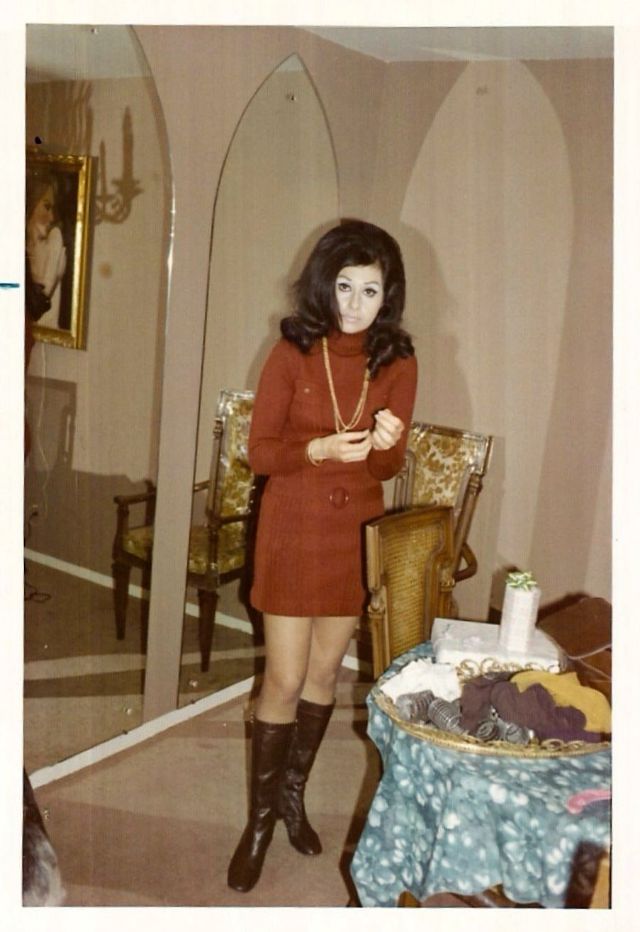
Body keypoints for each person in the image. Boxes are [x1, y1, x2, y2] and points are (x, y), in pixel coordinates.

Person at [227, 219, 418, 893]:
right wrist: (318, 450)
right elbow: (260, 452)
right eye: (344, 286)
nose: (356, 303)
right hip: (292, 526)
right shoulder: (292, 351)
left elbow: (387, 467)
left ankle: (291, 799)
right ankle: (258, 823)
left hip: (351, 532)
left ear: (388, 295)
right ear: (323, 285)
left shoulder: (398, 361)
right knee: (282, 679)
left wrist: (388, 446)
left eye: (371, 290)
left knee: (325, 674)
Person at [25, 170, 67, 330]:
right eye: (46, 207)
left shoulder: (54, 238)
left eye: (52, 209)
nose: (52, 217)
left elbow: (38, 305)